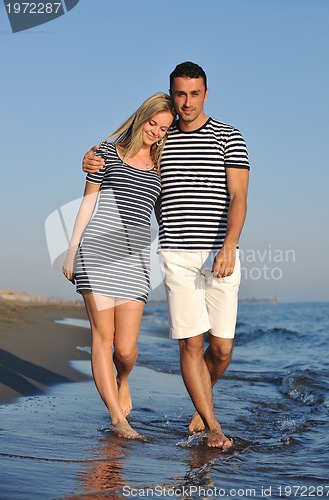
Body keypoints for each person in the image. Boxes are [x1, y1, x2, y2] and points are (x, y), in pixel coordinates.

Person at [82, 62, 250, 448]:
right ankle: (213, 426)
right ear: (171, 94)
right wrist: (92, 160)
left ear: (206, 94)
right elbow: (119, 153)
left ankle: (200, 402)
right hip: (176, 253)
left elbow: (239, 196)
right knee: (191, 343)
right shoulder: (161, 137)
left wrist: (229, 243)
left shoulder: (230, 136)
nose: (186, 102)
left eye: (194, 93)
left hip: (221, 253)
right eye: (180, 94)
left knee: (221, 350)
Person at [63, 93, 175, 440]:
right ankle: (118, 419)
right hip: (96, 252)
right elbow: (87, 204)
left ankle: (123, 380)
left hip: (137, 260)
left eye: (163, 129)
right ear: (141, 117)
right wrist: (71, 251)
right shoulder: (104, 154)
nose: (155, 132)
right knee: (102, 338)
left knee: (125, 349)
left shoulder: (162, 164)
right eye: (152, 123)